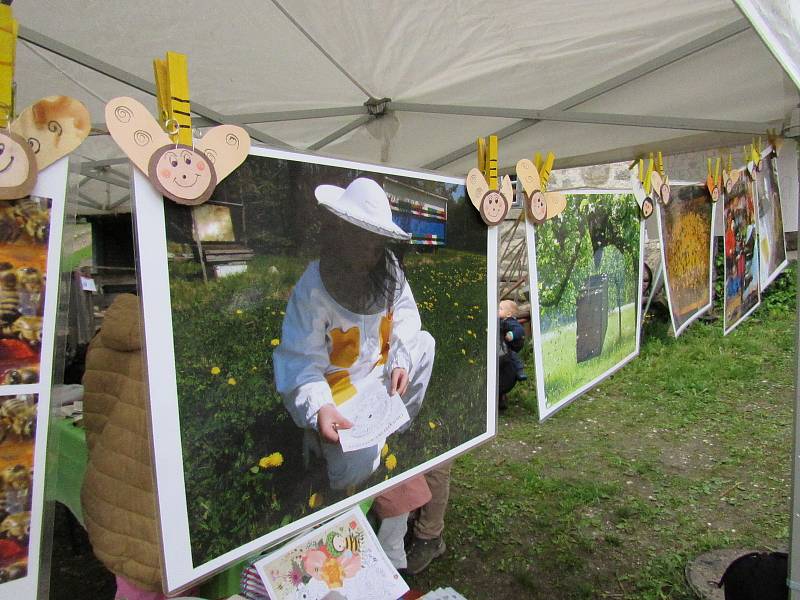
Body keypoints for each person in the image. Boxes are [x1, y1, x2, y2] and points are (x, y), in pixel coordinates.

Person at [274, 177, 436, 491]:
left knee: (424, 345)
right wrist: (320, 406)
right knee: (360, 467)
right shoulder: (312, 289)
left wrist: (400, 362)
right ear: (342, 232)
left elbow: (405, 314)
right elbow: (300, 361)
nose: (370, 253)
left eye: (376, 244)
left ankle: (395, 427)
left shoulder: (388, 269)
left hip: (379, 376)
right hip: (337, 393)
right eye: (362, 241)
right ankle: (326, 449)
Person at [498, 299, 526, 381]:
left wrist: (511, 335)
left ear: (508, 314)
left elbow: (520, 330)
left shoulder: (510, 321)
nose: (497, 310)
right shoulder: (502, 320)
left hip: (515, 343)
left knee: (512, 354)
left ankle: (520, 371)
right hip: (507, 343)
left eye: (500, 309)